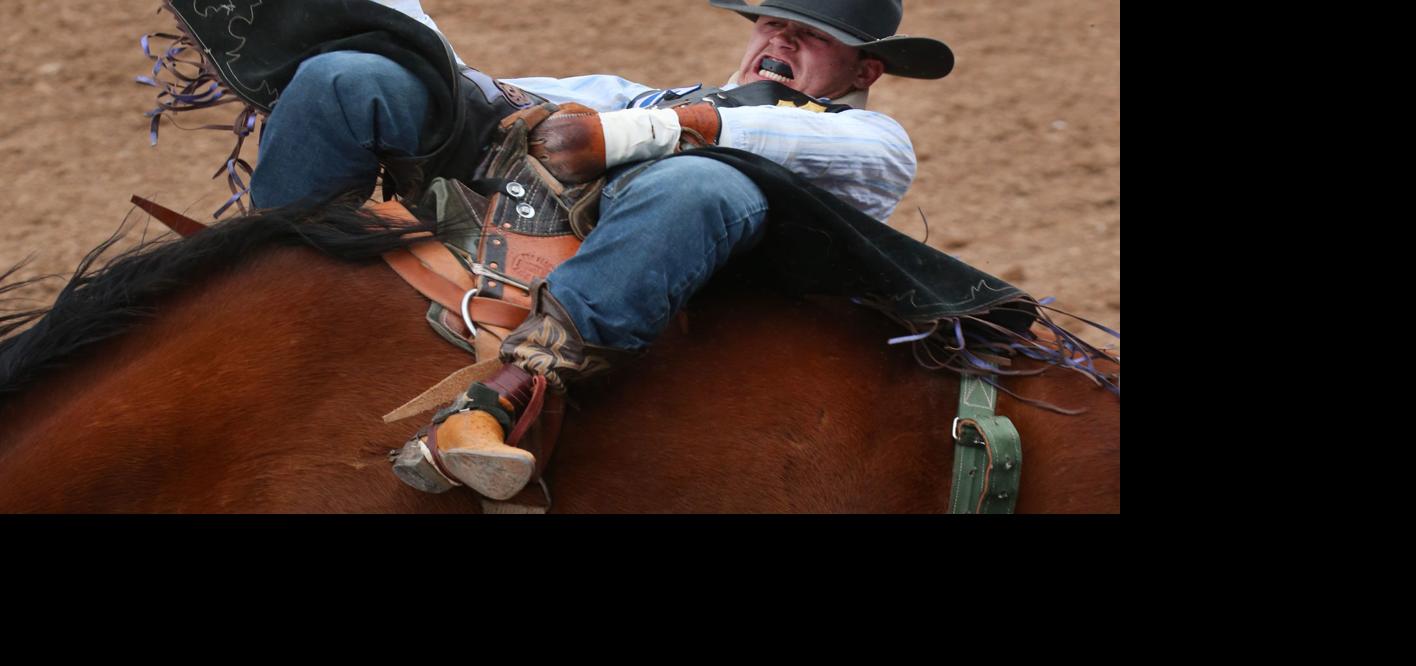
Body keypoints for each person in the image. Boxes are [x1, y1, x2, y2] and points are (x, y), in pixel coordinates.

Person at [243, 0, 954, 501]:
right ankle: (252, 287)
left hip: (703, 249)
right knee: (355, 77)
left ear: (864, 72)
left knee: (702, 184)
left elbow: (779, 137)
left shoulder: (870, 139)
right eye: (774, 21)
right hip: (583, 195)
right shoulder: (630, 96)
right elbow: (470, 86)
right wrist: (377, 18)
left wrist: (624, 137)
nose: (782, 39)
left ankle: (504, 400)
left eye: (812, 34)